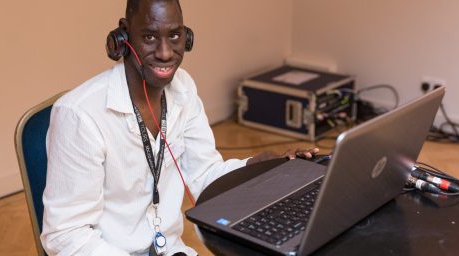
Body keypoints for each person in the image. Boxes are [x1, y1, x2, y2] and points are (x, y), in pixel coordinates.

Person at [40, 0, 318, 255]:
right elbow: (66, 236)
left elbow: (206, 176)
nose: (164, 53)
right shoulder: (80, 115)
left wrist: (258, 167)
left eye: (174, 35)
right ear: (123, 37)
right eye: (149, 36)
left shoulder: (182, 88)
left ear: (187, 37)